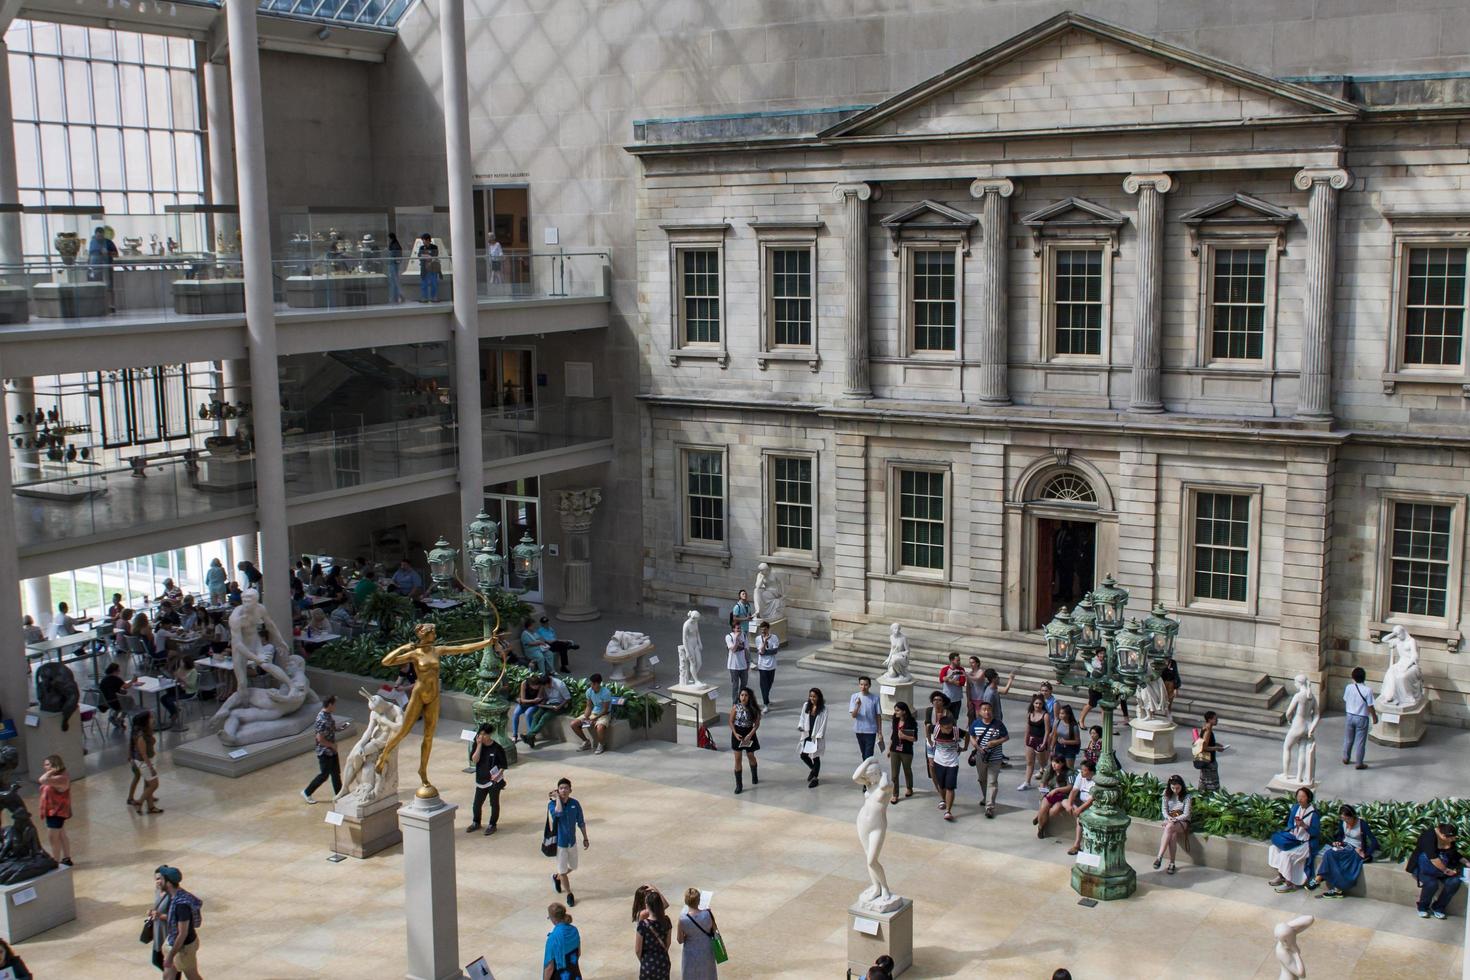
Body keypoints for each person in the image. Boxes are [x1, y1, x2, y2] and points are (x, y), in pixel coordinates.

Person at [1310, 803, 1377, 896]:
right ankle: (1319, 878)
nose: (1346, 821)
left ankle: (1329, 883)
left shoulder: (1362, 824)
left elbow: (1374, 841)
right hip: (1344, 846)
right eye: (1344, 819)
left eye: (1348, 819)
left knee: (1337, 859)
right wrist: (1338, 842)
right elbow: (1340, 836)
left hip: (1355, 849)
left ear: (1353, 816)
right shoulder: (1343, 822)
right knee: (1329, 853)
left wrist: (1366, 854)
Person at [151, 865, 203, 980]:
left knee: (192, 976)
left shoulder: (181, 905)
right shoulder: (177, 895)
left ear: (168, 883)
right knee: (168, 976)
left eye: (161, 879)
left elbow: (182, 933)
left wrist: (170, 956)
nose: (159, 882)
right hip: (174, 943)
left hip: (184, 949)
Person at [1267, 787, 1321, 892]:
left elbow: (1315, 833)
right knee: (1275, 848)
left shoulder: (1314, 814)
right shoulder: (1296, 807)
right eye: (1298, 796)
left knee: (1286, 854)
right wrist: (1293, 828)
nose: (1300, 799)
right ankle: (1281, 875)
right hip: (1294, 839)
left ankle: (1289, 883)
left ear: (1308, 798)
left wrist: (1305, 826)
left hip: (1305, 843)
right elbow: (1290, 823)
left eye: (1303, 797)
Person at [1407, 822, 1463, 919]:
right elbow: (1433, 858)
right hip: (1423, 868)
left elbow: (1454, 853)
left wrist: (1466, 862)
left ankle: (1439, 907)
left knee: (1454, 882)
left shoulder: (1449, 837)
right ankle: (1423, 907)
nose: (1452, 840)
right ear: (1442, 835)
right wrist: (1446, 870)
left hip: (1441, 869)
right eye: (1450, 838)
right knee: (1432, 884)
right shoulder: (1428, 837)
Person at [548, 778, 589, 906]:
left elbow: (581, 821)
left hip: (572, 841)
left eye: (566, 788)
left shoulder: (575, 804)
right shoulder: (552, 804)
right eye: (561, 788)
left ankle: (557, 877)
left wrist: (585, 837)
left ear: (570, 790)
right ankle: (569, 894)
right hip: (560, 843)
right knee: (563, 870)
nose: (563, 790)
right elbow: (558, 813)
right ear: (557, 790)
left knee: (573, 866)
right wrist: (558, 799)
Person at [301, 694, 347, 803]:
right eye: (334, 704)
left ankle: (339, 794)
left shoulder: (327, 715)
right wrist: (332, 745)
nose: (335, 707)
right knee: (324, 775)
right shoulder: (322, 719)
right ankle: (307, 792)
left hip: (332, 751)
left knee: (336, 773)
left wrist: (340, 728)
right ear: (330, 704)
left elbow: (330, 729)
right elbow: (320, 739)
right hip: (325, 752)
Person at [969, 698, 1008, 818]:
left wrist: (995, 742)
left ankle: (989, 806)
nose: (987, 712)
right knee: (982, 779)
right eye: (984, 710)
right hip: (981, 756)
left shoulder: (998, 724)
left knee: (992, 781)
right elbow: (971, 735)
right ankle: (986, 797)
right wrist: (975, 744)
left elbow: (1006, 737)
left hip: (995, 758)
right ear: (980, 712)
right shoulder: (976, 723)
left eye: (989, 710)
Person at [467, 722, 508, 835]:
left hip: (493, 781)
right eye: (480, 734)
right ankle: (476, 822)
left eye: (484, 734)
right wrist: (479, 745)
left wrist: (498, 775)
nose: (482, 737)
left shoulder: (497, 748)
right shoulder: (477, 745)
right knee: (477, 804)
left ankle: (492, 824)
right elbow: (474, 760)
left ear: (490, 734)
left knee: (494, 803)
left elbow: (503, 765)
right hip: (481, 779)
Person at [38, 754, 73, 866]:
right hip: (54, 811)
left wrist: (51, 771)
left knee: (53, 838)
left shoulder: (60, 778)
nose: (45, 767)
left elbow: (42, 780)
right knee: (62, 834)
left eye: (47, 764)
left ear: (55, 765)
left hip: (56, 812)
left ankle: (55, 862)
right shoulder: (58, 777)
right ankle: (67, 858)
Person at [677, 887, 719, 980]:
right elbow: (715, 930)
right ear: (699, 900)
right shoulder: (707, 914)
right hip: (706, 949)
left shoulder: (683, 919)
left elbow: (680, 940)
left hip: (690, 953)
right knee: (708, 974)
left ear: (686, 901)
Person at [930, 713, 966, 821]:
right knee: (941, 785)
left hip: (952, 763)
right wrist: (929, 740)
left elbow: (967, 734)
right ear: (940, 727)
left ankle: (948, 811)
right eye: (946, 728)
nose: (949, 730)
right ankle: (943, 800)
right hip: (939, 761)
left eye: (950, 727)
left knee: (950, 787)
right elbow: (927, 727)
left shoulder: (956, 731)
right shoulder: (935, 729)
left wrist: (965, 747)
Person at [1153, 774, 1192, 874]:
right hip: (1171, 820)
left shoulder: (1187, 796)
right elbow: (1164, 810)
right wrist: (1168, 817)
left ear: (1182, 786)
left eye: (1177, 788)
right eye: (1173, 788)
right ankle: (1172, 863)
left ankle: (1159, 857)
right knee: (1172, 834)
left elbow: (1186, 814)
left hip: (1183, 821)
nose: (1175, 790)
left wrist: (1173, 819)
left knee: (1169, 827)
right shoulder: (1166, 794)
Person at [1342, 666, 1377, 770]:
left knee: (1348, 739)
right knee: (1360, 742)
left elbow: (1345, 699)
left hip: (1349, 716)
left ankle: (1346, 757)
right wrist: (1374, 717)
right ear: (1364, 677)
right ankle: (1359, 763)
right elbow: (1370, 706)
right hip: (1362, 717)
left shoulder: (1349, 687)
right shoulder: (1368, 690)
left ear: (1353, 677)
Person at [570, 673, 615, 754]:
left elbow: (605, 710)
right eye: (591, 683)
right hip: (593, 713)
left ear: (599, 683)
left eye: (594, 684)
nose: (592, 685)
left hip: (604, 714)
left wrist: (595, 718)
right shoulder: (589, 691)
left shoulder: (606, 693)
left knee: (600, 728)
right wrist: (586, 717)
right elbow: (589, 706)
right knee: (574, 724)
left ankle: (601, 744)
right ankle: (586, 742)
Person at [1017, 693, 1054, 791]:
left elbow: (1047, 731)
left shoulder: (1045, 715)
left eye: (1040, 704)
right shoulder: (1030, 714)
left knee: (1043, 763)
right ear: (1033, 704)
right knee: (1029, 762)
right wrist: (1026, 739)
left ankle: (1046, 781)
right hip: (1031, 739)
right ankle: (1027, 782)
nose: (1038, 705)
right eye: (1036, 703)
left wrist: (1044, 743)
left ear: (1043, 705)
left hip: (1041, 740)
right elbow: (1027, 727)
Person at [729, 686, 761, 794]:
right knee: (738, 759)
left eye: (746, 695)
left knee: (750, 755)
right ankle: (739, 784)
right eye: (742, 695)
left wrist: (750, 735)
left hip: (749, 734)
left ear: (749, 697)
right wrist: (735, 733)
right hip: (738, 733)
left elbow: (756, 725)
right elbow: (731, 721)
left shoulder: (754, 709)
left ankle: (754, 774)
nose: (743, 697)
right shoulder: (735, 707)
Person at [634, 888, 672, 980]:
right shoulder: (666, 921)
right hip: (663, 961)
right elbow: (668, 943)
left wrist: (645, 961)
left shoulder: (643, 925)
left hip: (648, 963)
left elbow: (638, 950)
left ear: (647, 905)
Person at [130, 709, 162, 814]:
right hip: (145, 763)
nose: (153, 719)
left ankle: (151, 807)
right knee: (154, 785)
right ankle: (140, 802)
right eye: (151, 717)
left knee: (148, 785)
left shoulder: (147, 731)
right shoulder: (141, 736)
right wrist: (151, 768)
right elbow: (143, 754)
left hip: (150, 760)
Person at [527, 673, 572, 746]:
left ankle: (530, 735)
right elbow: (546, 697)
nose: (545, 687)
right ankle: (531, 737)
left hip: (560, 705)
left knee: (545, 717)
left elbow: (568, 699)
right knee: (536, 716)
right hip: (549, 704)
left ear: (550, 682)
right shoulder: (544, 685)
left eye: (546, 686)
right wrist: (542, 702)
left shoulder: (560, 685)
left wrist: (559, 707)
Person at [1034, 755, 1074, 838]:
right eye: (1053, 762)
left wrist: (1057, 790)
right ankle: (1041, 828)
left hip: (1062, 796)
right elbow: (1042, 783)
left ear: (1062, 764)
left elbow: (1070, 787)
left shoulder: (1069, 772)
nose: (1054, 764)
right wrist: (1043, 790)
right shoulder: (1049, 770)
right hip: (1049, 794)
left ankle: (1040, 817)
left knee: (1054, 811)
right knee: (1043, 808)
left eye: (1057, 763)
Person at [1063, 759, 1097, 855]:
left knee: (1079, 817)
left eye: (1084, 770)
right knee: (1065, 802)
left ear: (1091, 772)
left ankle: (1076, 845)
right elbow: (1074, 791)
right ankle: (1076, 813)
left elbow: (1091, 801)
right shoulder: (1080, 776)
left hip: (1092, 806)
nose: (1081, 772)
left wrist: (1079, 810)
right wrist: (1070, 805)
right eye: (1081, 770)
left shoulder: (1096, 780)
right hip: (1081, 803)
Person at [797, 687, 829, 787]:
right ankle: (813, 770)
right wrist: (801, 726)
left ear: (819, 697)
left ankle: (815, 778)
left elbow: (824, 723)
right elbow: (802, 717)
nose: (812, 698)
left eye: (814, 696)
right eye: (810, 696)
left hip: (816, 736)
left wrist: (819, 735)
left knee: (815, 757)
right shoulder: (806, 705)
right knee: (803, 755)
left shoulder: (824, 709)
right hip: (807, 734)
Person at [887, 701, 918, 803]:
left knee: (907, 770)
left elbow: (914, 738)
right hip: (895, 749)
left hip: (906, 750)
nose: (895, 712)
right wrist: (889, 748)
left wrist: (904, 737)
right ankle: (895, 794)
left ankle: (909, 787)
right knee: (894, 774)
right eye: (895, 710)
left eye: (897, 710)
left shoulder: (911, 722)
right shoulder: (895, 720)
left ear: (904, 711)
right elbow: (893, 735)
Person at [543, 901, 581, 980]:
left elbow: (549, 967)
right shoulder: (574, 930)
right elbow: (579, 953)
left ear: (554, 919)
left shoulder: (553, 938)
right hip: (575, 975)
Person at [849, 676, 883, 760]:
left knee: (869, 754)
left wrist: (879, 732)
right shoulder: (854, 697)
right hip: (859, 730)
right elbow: (853, 715)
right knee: (863, 753)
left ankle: (867, 770)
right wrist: (858, 705)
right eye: (861, 684)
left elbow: (878, 716)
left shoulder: (875, 698)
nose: (863, 687)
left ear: (869, 685)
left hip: (871, 730)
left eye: (866, 685)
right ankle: (866, 770)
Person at [100, 661, 140, 729]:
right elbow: (126, 686)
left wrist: (120, 691)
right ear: (115, 671)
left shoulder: (104, 679)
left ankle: (114, 717)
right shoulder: (115, 678)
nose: (119, 672)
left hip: (105, 701)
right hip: (114, 701)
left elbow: (111, 689)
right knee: (128, 702)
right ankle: (120, 719)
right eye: (118, 670)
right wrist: (133, 680)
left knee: (124, 700)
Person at [750, 620, 779, 710]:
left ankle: (766, 698)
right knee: (763, 685)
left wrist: (766, 652)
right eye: (762, 630)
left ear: (768, 629)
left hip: (772, 665)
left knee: (769, 683)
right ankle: (765, 703)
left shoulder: (774, 638)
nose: (763, 632)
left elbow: (775, 651)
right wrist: (765, 641)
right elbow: (761, 652)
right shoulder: (758, 639)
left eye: (765, 630)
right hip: (762, 666)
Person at [513, 674, 547, 744]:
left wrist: (535, 700)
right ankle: (514, 735)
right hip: (525, 703)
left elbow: (538, 698)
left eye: (538, 686)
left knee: (528, 713)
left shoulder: (540, 685)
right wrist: (532, 700)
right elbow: (522, 699)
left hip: (534, 704)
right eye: (535, 686)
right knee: (516, 713)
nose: (537, 687)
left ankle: (530, 735)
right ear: (531, 685)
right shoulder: (524, 683)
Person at [1194, 711, 1224, 791]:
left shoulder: (1205, 728)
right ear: (1209, 720)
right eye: (1215, 719)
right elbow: (1205, 747)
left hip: (1205, 761)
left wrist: (1217, 744)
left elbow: (1207, 742)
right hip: (1209, 762)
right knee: (1212, 787)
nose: (1217, 720)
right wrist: (1216, 748)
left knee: (1204, 783)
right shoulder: (1208, 731)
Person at [724, 621, 748, 704]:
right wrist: (737, 639)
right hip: (733, 666)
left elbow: (746, 649)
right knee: (735, 685)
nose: (739, 630)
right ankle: (735, 703)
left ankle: (742, 701)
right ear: (733, 629)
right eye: (737, 628)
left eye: (740, 628)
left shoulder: (744, 635)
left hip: (743, 665)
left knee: (744, 684)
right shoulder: (729, 637)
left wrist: (748, 662)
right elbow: (733, 650)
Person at [938, 652, 967, 722]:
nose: (959, 662)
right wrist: (953, 681)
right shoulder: (945, 669)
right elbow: (942, 679)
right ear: (952, 660)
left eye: (959, 660)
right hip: (947, 698)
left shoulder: (961, 670)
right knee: (945, 718)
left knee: (955, 719)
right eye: (958, 660)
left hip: (957, 699)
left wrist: (950, 681)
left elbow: (962, 683)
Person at [416, 233, 441, 302]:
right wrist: (427, 256)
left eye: (423, 240)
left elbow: (435, 255)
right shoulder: (421, 247)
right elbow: (419, 255)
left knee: (434, 282)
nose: (423, 241)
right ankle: (424, 298)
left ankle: (434, 297)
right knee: (424, 283)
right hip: (424, 268)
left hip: (432, 267)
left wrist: (425, 256)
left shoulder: (434, 247)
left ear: (427, 240)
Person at [386, 232, 404, 303]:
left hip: (393, 264)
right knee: (394, 281)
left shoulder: (394, 245)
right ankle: (395, 297)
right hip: (393, 264)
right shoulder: (395, 244)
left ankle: (396, 296)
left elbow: (394, 255)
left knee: (394, 281)